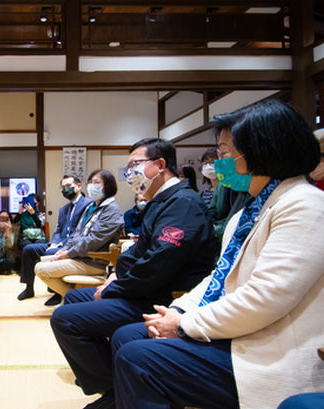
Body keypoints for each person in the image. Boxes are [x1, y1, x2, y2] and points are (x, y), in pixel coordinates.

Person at [109, 100, 324, 409]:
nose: (219, 163)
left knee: (138, 357)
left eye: (224, 153)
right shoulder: (250, 209)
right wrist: (179, 311)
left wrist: (184, 324)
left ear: (262, 151)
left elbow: (264, 300)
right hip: (236, 331)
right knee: (128, 337)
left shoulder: (305, 205)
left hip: (265, 347)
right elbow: (220, 276)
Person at [50, 138, 219, 408]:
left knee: (65, 319)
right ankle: (115, 388)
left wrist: (114, 288)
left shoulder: (182, 203)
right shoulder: (162, 201)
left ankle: (115, 391)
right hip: (144, 287)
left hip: (162, 296)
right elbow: (138, 250)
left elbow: (159, 262)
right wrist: (115, 274)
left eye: (135, 166)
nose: (130, 175)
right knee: (72, 300)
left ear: (160, 165)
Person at [35, 169, 123, 305]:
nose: (92, 186)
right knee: (44, 261)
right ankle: (73, 299)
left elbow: (93, 240)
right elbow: (77, 233)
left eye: (96, 182)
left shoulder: (112, 210)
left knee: (41, 269)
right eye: (90, 182)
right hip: (79, 257)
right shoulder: (91, 207)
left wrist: (69, 253)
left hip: (93, 262)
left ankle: (75, 299)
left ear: (108, 186)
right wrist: (65, 249)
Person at [17, 175, 93, 302]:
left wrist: (62, 246)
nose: (65, 189)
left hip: (73, 246)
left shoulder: (88, 205)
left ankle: (57, 291)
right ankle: (29, 288)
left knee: (52, 253)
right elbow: (58, 230)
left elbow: (83, 231)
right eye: (63, 187)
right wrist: (54, 243)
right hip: (59, 244)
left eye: (68, 186)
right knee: (28, 250)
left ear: (79, 186)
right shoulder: (63, 209)